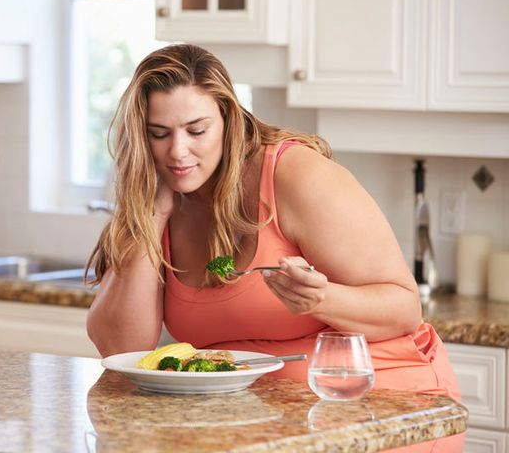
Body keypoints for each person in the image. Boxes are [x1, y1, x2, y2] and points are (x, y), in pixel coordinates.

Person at [85, 44, 462, 451]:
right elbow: (123, 351)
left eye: (197, 131)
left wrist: (321, 298)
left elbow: (405, 309)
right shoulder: (158, 195)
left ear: (229, 119)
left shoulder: (294, 176)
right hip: (256, 419)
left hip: (381, 408)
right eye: (159, 134)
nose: (178, 152)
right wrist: (153, 214)